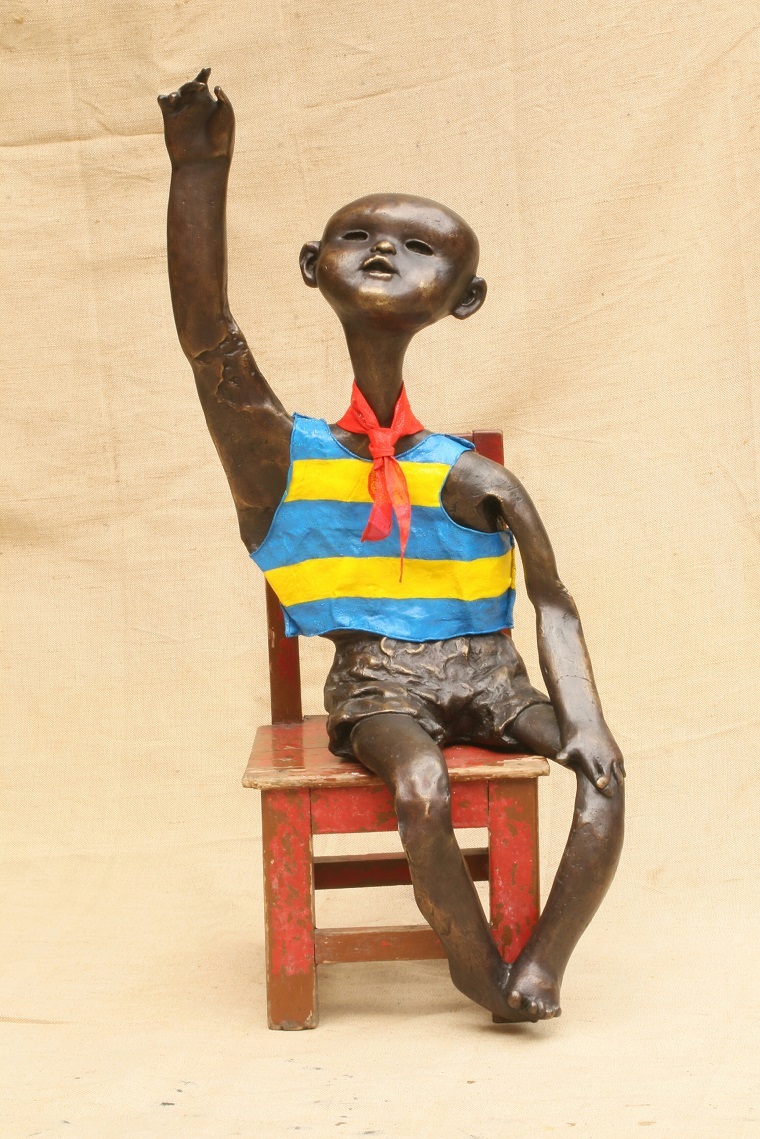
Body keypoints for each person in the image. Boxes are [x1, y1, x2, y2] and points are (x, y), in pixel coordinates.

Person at [159, 70, 625, 1023]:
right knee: (419, 782)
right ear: (311, 264)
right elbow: (209, 343)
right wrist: (198, 172)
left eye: (419, 247)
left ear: (465, 296)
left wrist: (584, 716)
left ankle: (542, 966)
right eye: (360, 236)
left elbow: (553, 600)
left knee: (607, 778)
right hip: (378, 684)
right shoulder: (281, 460)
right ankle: (479, 972)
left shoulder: (475, 478)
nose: (383, 252)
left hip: (494, 677)